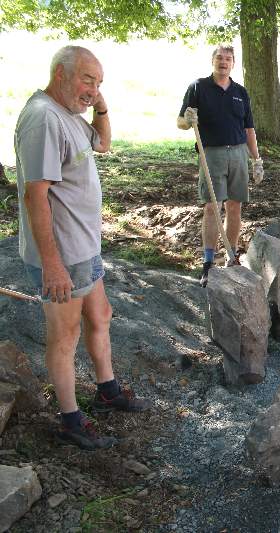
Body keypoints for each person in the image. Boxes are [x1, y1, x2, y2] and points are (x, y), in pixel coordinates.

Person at [15, 45, 151, 450]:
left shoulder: (69, 114)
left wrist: (99, 102)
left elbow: (104, 144)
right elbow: (34, 198)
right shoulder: (43, 118)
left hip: (83, 248)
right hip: (62, 255)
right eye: (86, 80)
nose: (92, 90)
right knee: (64, 335)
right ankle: (70, 420)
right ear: (60, 73)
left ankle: (106, 391)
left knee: (101, 315)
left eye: (99, 82)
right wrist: (52, 266)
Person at [177, 45, 264, 286]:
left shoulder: (240, 92)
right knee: (211, 207)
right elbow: (180, 122)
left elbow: (249, 129)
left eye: (228, 59)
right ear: (212, 61)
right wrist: (188, 119)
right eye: (219, 58)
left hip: (238, 154)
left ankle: (231, 255)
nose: (223, 62)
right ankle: (208, 262)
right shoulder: (198, 87)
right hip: (211, 154)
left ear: (233, 63)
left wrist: (256, 159)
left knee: (234, 206)